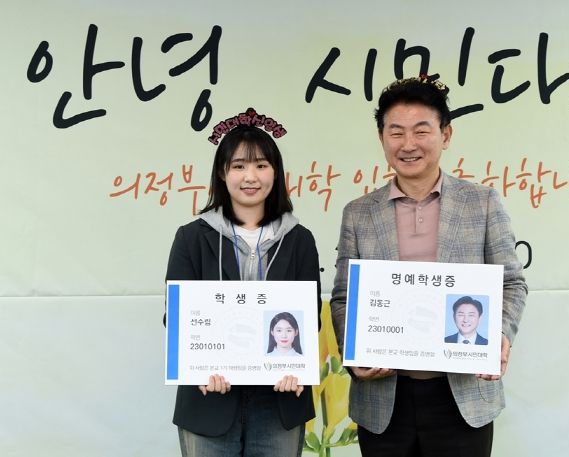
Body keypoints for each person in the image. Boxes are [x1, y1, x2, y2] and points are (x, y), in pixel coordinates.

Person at [330, 76, 527, 457]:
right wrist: (353, 353)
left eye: (421, 131)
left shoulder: (482, 202)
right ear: (382, 138)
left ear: (445, 134)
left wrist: (499, 334)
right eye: (396, 132)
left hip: (462, 394)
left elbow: (512, 283)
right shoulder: (358, 213)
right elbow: (343, 298)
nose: (408, 144)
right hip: (384, 398)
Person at [165, 115, 321, 457]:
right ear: (222, 173)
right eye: (239, 166)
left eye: (261, 165)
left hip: (279, 401)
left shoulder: (299, 240)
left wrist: (296, 367)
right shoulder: (191, 238)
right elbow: (176, 319)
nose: (250, 177)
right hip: (209, 398)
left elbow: (310, 319)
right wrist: (199, 366)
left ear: (275, 173)